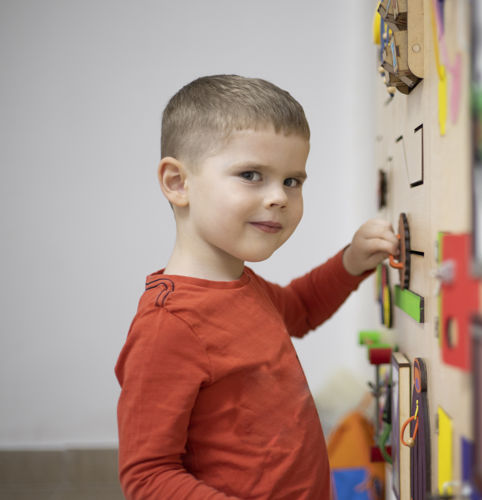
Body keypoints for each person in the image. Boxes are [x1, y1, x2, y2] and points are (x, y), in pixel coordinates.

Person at [115, 74, 398, 499]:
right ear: (178, 183)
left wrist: (351, 261)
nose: (279, 197)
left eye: (292, 181)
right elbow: (148, 477)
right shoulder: (168, 325)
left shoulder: (243, 285)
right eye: (251, 174)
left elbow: (300, 309)